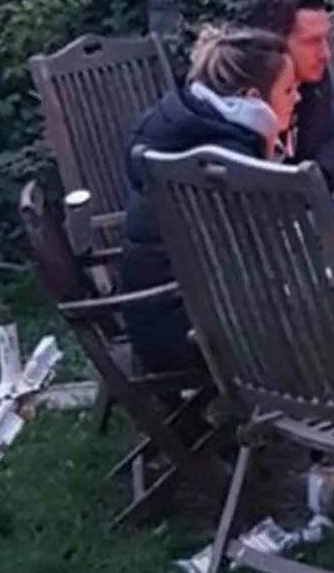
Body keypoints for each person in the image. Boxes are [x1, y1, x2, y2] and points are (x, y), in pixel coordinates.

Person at [115, 23, 297, 375]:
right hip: (189, 333)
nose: (297, 99)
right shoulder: (221, 162)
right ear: (252, 99)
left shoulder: (185, 125)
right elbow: (266, 250)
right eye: (288, 91)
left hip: (166, 316)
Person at [248, 0, 334, 189]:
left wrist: (318, 181)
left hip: (312, 198)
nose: (326, 54)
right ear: (275, 42)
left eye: (326, 40)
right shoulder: (247, 97)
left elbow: (332, 140)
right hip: (270, 208)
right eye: (312, 42)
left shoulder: (314, 80)